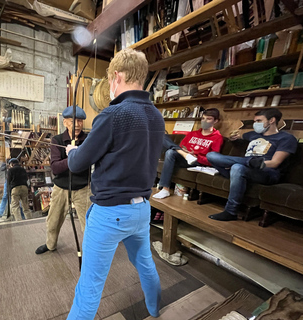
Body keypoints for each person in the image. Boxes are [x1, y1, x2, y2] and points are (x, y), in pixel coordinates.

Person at [65, 48, 165, 319]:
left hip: (110, 213)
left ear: (116, 77)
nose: (109, 86)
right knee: (145, 265)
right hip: (142, 209)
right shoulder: (157, 117)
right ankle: (156, 311)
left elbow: (77, 163)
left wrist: (72, 151)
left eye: (110, 80)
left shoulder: (113, 115)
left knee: (90, 286)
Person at [206, 108, 297, 221]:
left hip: (267, 173)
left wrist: (254, 164)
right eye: (254, 121)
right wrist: (233, 137)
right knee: (211, 156)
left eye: (259, 121)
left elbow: (274, 163)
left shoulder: (286, 138)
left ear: (272, 120)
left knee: (237, 167)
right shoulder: (253, 135)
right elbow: (238, 135)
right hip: (246, 168)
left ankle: (231, 212)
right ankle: (245, 166)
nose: (255, 124)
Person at [35, 106, 91, 255]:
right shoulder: (57, 140)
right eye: (73, 121)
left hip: (83, 188)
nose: (77, 124)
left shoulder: (89, 140)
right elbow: (55, 168)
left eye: (80, 121)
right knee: (53, 221)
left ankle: (90, 252)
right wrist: (73, 156)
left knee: (88, 224)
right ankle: (50, 244)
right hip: (61, 188)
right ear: (65, 122)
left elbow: (90, 161)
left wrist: (77, 155)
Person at [153, 108, 223, 199]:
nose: (204, 121)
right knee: (163, 138)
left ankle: (165, 189)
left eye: (208, 119)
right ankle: (165, 190)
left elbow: (213, 159)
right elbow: (181, 146)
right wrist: (185, 152)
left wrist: (197, 157)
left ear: (216, 121)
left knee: (171, 152)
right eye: (203, 118)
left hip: (197, 162)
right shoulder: (192, 134)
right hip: (184, 157)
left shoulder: (217, 138)